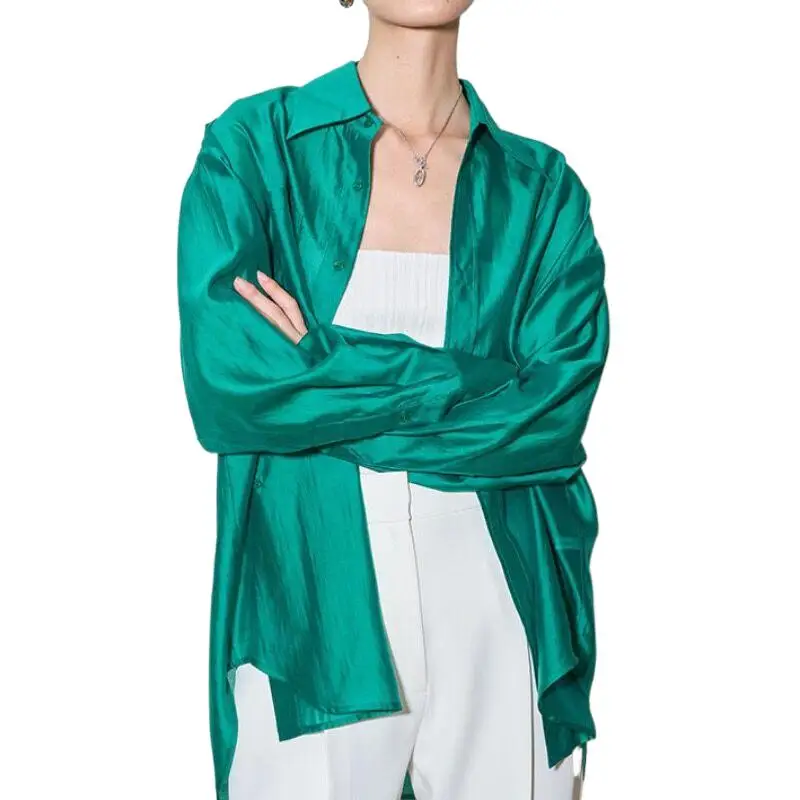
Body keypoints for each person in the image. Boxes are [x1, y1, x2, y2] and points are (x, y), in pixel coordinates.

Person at [176, 1, 610, 799]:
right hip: (313, 614)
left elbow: (550, 416)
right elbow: (231, 386)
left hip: (504, 609)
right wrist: (479, 380)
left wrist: (321, 368)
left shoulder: (544, 194)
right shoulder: (256, 153)